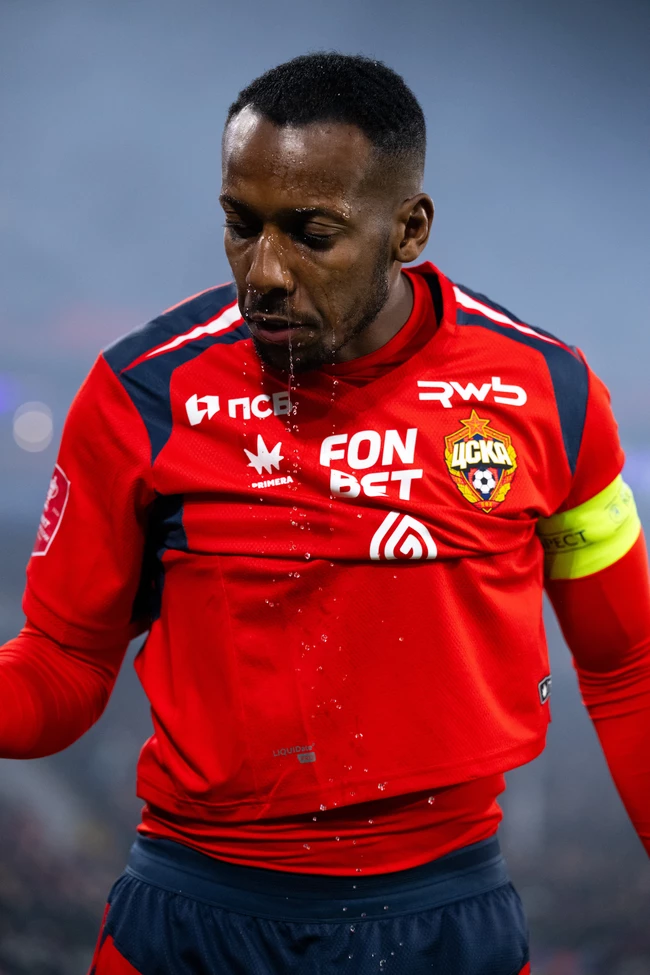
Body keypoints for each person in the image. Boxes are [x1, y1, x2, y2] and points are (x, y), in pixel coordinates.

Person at [1, 52, 648, 975]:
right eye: (241, 224)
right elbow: (64, 662)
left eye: (312, 233)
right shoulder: (138, 393)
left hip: (440, 922)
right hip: (192, 918)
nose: (264, 270)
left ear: (408, 229)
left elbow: (628, 664)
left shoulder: (550, 393)